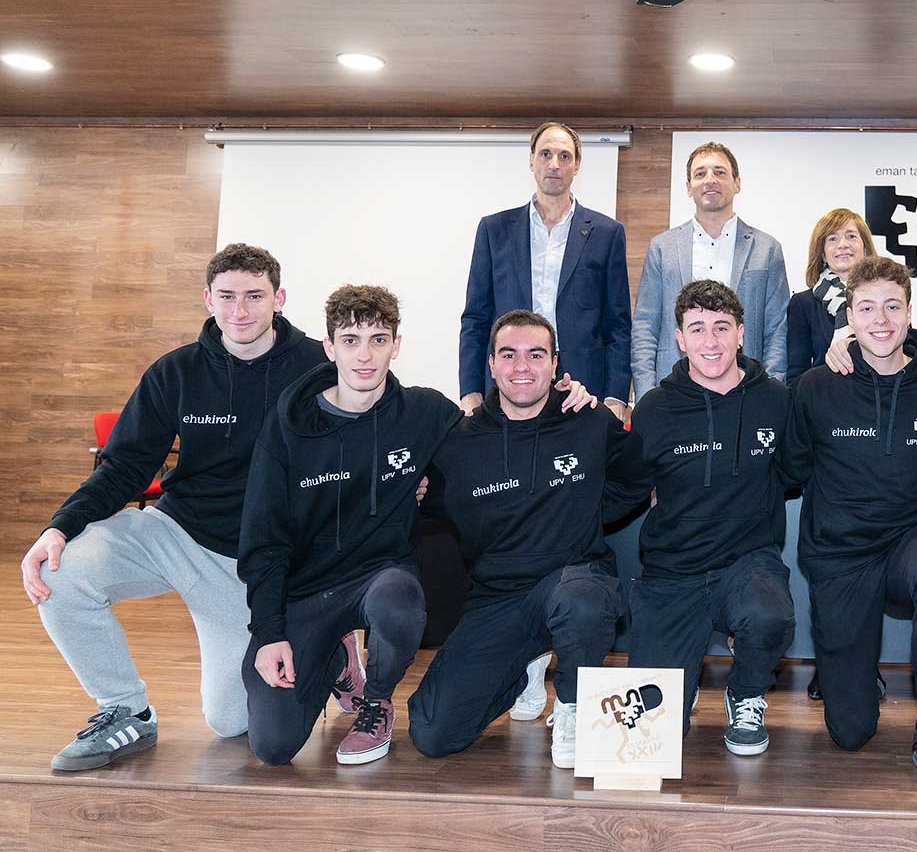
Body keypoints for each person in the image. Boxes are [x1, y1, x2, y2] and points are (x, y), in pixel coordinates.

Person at [22, 244, 328, 772]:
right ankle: (126, 710)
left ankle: (324, 647)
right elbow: (123, 466)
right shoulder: (177, 371)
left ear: (278, 298)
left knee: (229, 721)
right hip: (175, 533)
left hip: (250, 563)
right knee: (59, 571)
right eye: (226, 296)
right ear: (207, 299)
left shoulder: (317, 367)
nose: (239, 311)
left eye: (254, 296)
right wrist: (60, 527)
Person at [408, 311, 652, 769]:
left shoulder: (587, 419)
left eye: (536, 355)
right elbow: (426, 497)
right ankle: (522, 668)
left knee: (580, 602)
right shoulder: (460, 440)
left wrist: (588, 510)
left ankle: (573, 706)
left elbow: (635, 476)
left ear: (555, 364)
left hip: (574, 581)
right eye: (509, 354)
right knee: (431, 731)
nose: (522, 366)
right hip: (497, 599)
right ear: (492, 364)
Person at [239, 285, 461, 766]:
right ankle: (338, 659)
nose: (364, 355)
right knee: (273, 746)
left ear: (396, 346)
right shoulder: (289, 428)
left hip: (382, 577)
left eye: (378, 340)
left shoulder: (423, 412)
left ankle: (376, 701)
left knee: (400, 603)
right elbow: (263, 537)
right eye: (351, 340)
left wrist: (567, 399)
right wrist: (269, 632)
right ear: (329, 347)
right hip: (307, 589)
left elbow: (486, 453)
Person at [779, 257, 917, 789]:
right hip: (839, 554)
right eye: (866, 308)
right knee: (850, 732)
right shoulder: (816, 387)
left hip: (909, 538)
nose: (880, 320)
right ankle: (855, 678)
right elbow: (788, 469)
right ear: (849, 318)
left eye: (892, 307)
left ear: (909, 313)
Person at [628, 281, 796, 755]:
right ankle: (676, 691)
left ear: (741, 334)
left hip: (746, 562)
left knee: (769, 614)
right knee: (650, 738)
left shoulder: (775, 400)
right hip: (671, 573)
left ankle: (745, 693)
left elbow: (797, 468)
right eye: (697, 328)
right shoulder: (655, 408)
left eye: (722, 327)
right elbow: (623, 488)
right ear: (679, 338)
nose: (711, 341)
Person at [460, 121, 631, 419]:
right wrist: (470, 390)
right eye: (545, 154)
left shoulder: (607, 233)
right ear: (531, 161)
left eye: (564, 156)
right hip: (511, 380)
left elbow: (618, 324)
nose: (554, 164)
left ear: (577, 165)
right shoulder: (494, 230)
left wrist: (616, 395)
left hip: (582, 387)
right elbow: (476, 318)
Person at [632, 142, 791, 395]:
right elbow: (645, 327)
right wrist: (646, 395)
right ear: (688, 187)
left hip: (746, 391)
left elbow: (777, 331)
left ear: (737, 183)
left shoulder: (767, 250)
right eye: (700, 173)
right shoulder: (662, 248)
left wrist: (770, 394)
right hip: (673, 390)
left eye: (719, 172)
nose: (710, 180)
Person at [785, 208, 876, 389]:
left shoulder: (886, 297)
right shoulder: (803, 304)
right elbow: (796, 377)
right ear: (823, 253)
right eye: (832, 239)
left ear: (865, 248)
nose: (843, 244)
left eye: (851, 236)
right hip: (825, 399)